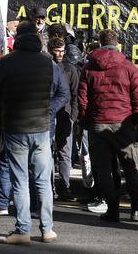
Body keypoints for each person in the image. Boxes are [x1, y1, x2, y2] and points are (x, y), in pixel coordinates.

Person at [0, 21, 69, 245]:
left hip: (15, 127)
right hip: (42, 128)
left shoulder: (7, 62)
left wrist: (0, 124)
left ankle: (22, 230)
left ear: (17, 39)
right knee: (43, 181)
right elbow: (62, 92)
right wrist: (49, 111)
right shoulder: (49, 63)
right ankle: (47, 229)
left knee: (20, 181)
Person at [78, 29, 138, 223]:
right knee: (130, 166)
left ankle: (113, 210)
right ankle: (136, 208)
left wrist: (85, 121)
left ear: (99, 43)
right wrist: (135, 120)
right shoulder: (129, 66)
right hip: (123, 122)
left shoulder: (89, 67)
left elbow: (83, 99)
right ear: (117, 44)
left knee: (104, 169)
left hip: (99, 123)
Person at [48, 37, 79, 201]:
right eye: (57, 51)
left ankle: (65, 186)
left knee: (64, 154)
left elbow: (75, 94)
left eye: (62, 51)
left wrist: (73, 116)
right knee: (47, 153)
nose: (60, 54)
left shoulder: (70, 69)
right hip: (49, 115)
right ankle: (49, 187)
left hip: (65, 116)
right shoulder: (46, 67)